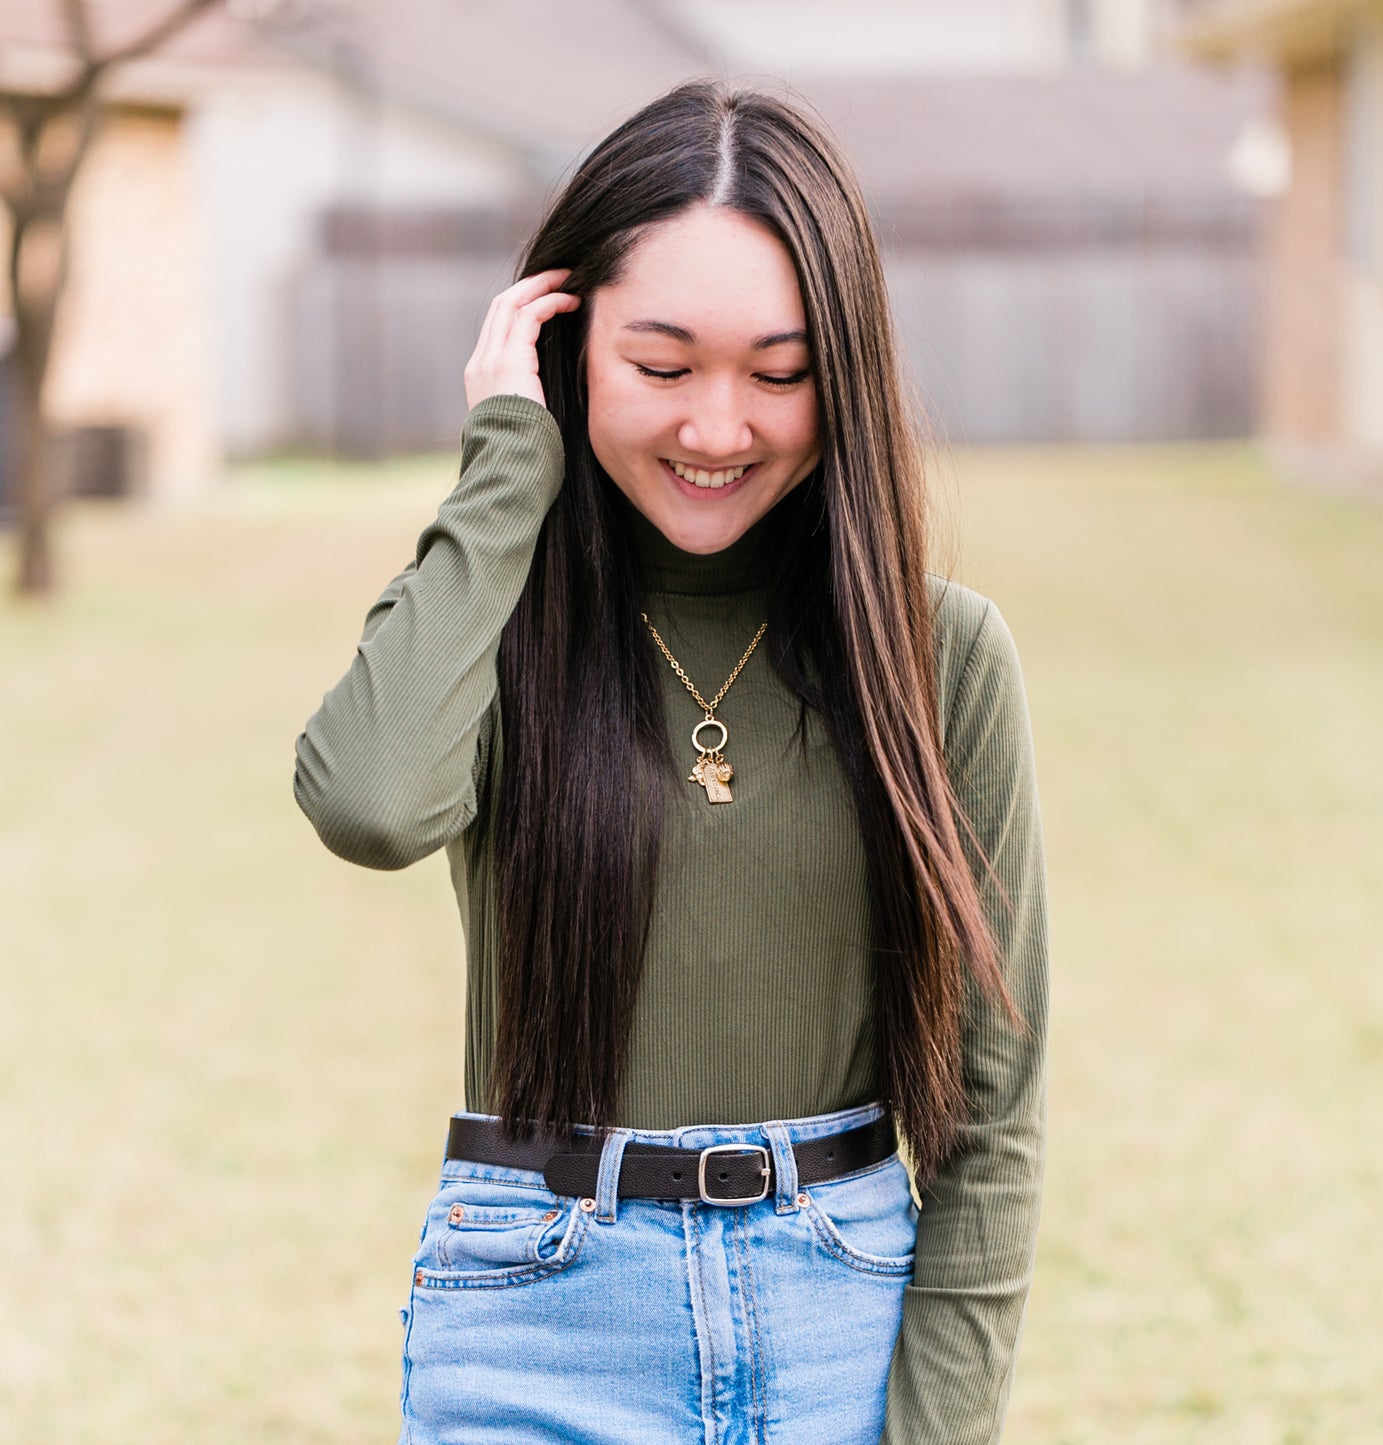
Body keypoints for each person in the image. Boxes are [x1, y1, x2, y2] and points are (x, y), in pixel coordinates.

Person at [292, 79, 1048, 1445]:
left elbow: (992, 1116)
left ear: (845, 375)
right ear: (566, 345)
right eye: (660, 367)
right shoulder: (491, 627)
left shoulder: (941, 657)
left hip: (841, 1317)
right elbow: (370, 801)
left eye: (778, 373)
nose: (716, 429)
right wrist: (503, 468)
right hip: (535, 1317)